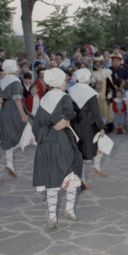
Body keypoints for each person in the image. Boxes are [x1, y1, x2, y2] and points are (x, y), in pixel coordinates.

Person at [32, 67, 83, 230]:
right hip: (62, 140)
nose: (66, 83)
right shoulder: (64, 97)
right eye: (65, 81)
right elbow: (71, 113)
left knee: (51, 177)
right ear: (60, 82)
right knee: (71, 172)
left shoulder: (45, 98)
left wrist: (43, 136)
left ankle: (52, 217)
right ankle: (69, 209)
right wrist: (66, 120)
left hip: (45, 141)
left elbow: (36, 124)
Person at [0, 59, 33, 178]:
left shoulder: (3, 80)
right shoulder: (15, 81)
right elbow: (17, 99)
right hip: (14, 109)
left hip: (5, 108)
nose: (18, 67)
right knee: (26, 128)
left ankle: (10, 164)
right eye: (16, 66)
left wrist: (1, 100)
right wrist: (23, 115)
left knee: (8, 133)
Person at [69, 68, 107, 184]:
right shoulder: (90, 92)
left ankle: (77, 174)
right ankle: (82, 175)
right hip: (86, 121)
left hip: (73, 121)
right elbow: (96, 112)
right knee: (85, 147)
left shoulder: (70, 90)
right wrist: (101, 126)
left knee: (76, 147)